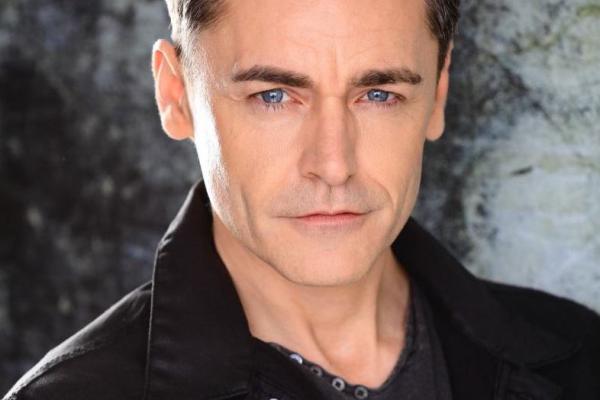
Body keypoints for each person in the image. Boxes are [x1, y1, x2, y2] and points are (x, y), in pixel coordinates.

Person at [4, 0, 600, 399]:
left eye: (379, 94)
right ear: (175, 95)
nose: (333, 165)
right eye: (273, 96)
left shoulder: (581, 357)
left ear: (438, 93)